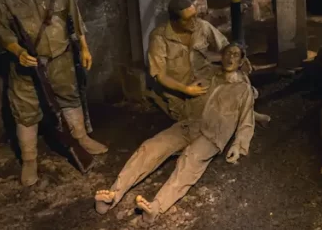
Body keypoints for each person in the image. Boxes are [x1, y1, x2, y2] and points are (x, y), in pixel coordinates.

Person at [0, 0, 108, 187]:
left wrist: (85, 49)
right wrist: (18, 51)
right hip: (27, 65)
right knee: (25, 110)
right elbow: (2, 33)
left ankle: (81, 138)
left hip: (61, 58)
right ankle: (30, 160)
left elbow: (76, 22)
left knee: (69, 97)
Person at [95, 42, 257, 219]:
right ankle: (112, 196)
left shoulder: (243, 90)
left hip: (212, 135)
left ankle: (156, 207)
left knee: (189, 160)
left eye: (235, 55)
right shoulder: (207, 76)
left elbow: (247, 120)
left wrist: (239, 145)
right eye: (227, 53)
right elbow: (187, 88)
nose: (230, 58)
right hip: (189, 125)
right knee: (151, 147)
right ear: (221, 57)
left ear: (241, 62)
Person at [147, 0, 229, 122]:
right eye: (187, 19)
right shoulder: (159, 38)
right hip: (178, 90)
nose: (194, 21)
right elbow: (161, 76)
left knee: (239, 90)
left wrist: (234, 60)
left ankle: (251, 115)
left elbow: (226, 47)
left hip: (205, 79)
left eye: (195, 16)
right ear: (174, 21)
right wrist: (186, 89)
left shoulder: (202, 26)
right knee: (200, 119)